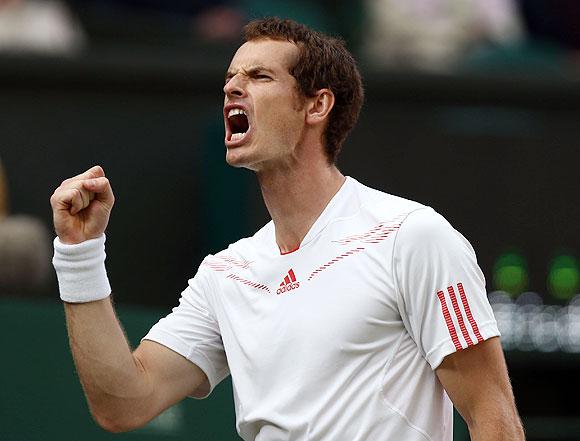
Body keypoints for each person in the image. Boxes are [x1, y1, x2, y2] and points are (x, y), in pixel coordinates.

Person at [50, 18, 524, 441]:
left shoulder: (413, 237)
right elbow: (123, 404)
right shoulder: (226, 274)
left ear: (316, 105)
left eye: (258, 76)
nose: (233, 88)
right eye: (230, 79)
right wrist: (79, 254)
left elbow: (492, 415)